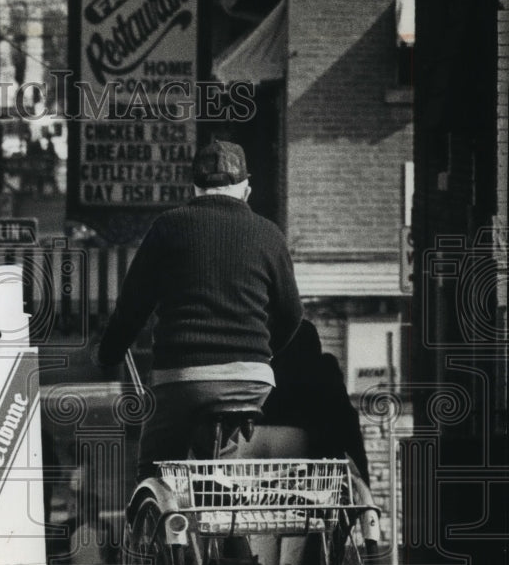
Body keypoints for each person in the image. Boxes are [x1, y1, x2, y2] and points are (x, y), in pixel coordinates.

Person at [96, 140, 303, 480]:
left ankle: (158, 524)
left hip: (185, 377)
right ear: (246, 188)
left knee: (156, 469)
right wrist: (258, 354)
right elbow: (293, 313)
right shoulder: (269, 233)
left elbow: (133, 305)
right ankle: (231, 527)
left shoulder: (169, 226)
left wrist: (109, 352)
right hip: (252, 381)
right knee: (217, 471)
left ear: (194, 187)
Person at [262, 319, 370, 483]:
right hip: (309, 474)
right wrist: (363, 487)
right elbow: (348, 429)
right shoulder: (321, 375)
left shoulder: (258, 377)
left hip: (247, 466)